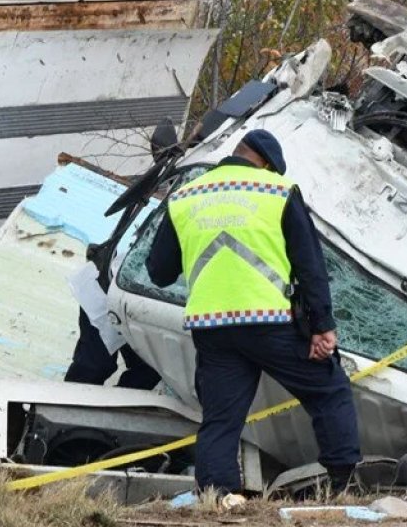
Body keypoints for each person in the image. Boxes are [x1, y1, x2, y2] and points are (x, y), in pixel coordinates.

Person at [145, 129, 361, 498]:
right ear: (265, 162)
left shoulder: (184, 197)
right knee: (329, 389)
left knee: (221, 418)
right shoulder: (277, 191)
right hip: (269, 322)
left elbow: (159, 272)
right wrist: (322, 326)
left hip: (211, 327)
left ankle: (218, 495)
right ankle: (341, 481)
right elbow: (310, 265)